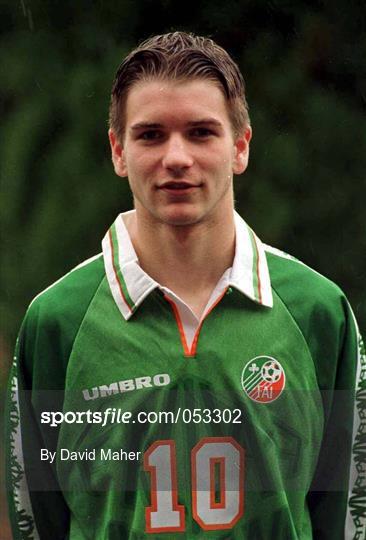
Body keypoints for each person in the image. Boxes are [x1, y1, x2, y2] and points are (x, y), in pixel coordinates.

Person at [6, 31, 365, 539]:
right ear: (118, 150)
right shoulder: (57, 322)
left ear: (240, 147)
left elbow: (347, 515)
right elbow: (37, 522)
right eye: (150, 134)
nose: (177, 157)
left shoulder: (318, 312)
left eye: (201, 132)